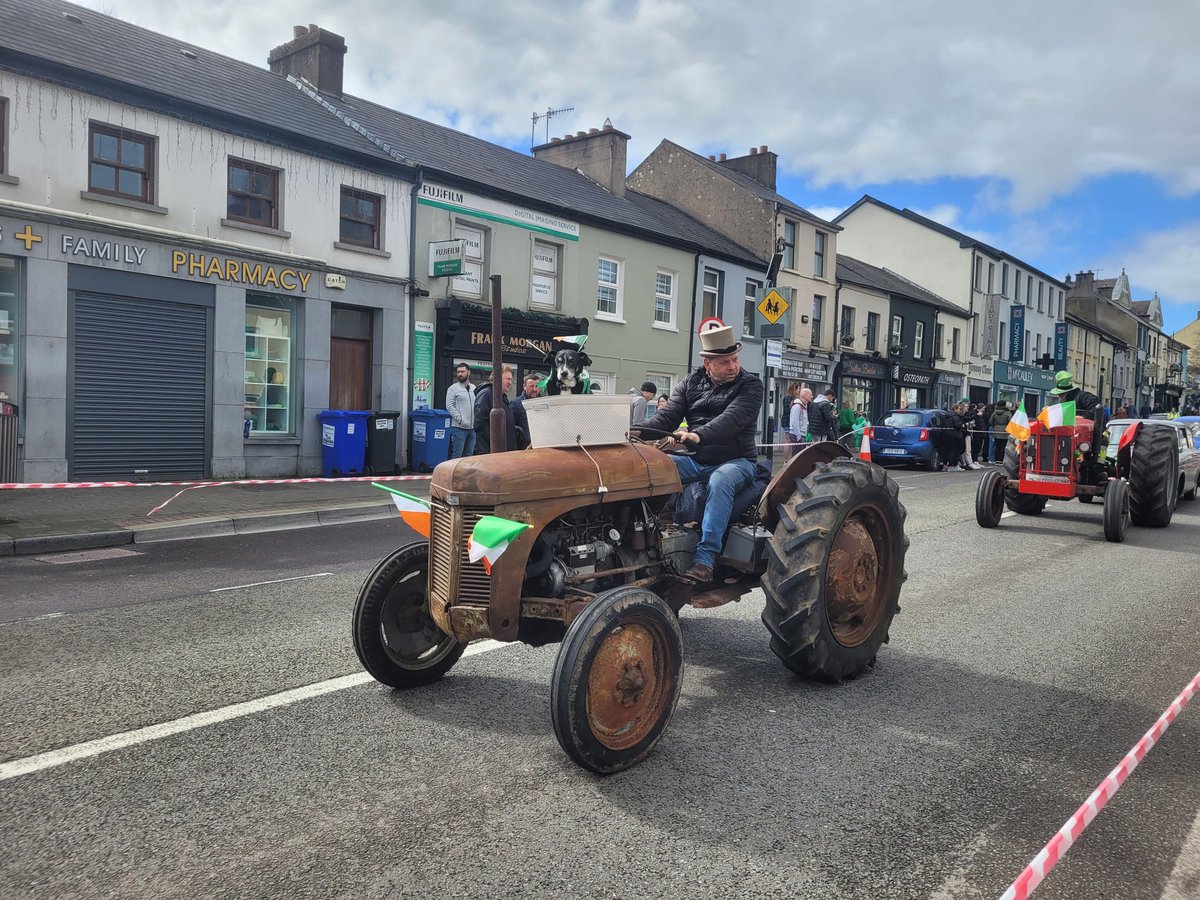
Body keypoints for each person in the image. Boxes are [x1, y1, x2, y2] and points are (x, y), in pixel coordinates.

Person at [638, 322, 763, 584]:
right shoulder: (690, 382)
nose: (733, 366)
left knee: (720, 481)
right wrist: (636, 432)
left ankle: (705, 561)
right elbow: (666, 418)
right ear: (708, 364)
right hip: (695, 460)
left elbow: (733, 419)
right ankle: (644, 545)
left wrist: (698, 435)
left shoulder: (751, 385)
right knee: (651, 468)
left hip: (737, 461)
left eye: (735, 359)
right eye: (725, 362)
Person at [473, 364, 521, 454]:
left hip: (503, 450)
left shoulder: (502, 396)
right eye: (507, 379)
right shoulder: (486, 394)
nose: (510, 382)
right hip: (491, 452)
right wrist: (496, 443)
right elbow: (480, 424)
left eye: (511, 379)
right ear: (497, 378)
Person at [446, 362, 476, 459]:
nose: (460, 374)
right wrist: (460, 419)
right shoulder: (452, 389)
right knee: (457, 454)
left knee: (469, 455)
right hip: (459, 428)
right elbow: (449, 406)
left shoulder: (474, 388)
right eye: (458, 372)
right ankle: (453, 470)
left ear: (468, 373)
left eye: (463, 372)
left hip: (472, 428)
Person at [511, 373, 541, 449]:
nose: (534, 389)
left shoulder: (544, 402)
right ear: (524, 386)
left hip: (541, 445)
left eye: (537, 386)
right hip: (523, 447)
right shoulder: (515, 404)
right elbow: (511, 427)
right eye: (531, 386)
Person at [788, 387, 810, 458]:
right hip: (797, 435)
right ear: (805, 396)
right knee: (796, 456)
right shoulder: (797, 406)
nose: (812, 396)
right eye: (810, 394)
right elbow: (794, 422)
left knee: (800, 456)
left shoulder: (804, 405)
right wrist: (798, 437)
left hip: (801, 434)